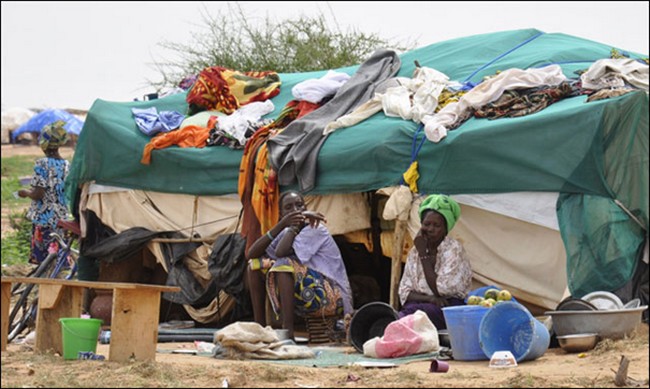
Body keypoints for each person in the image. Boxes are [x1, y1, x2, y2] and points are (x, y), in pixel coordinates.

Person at [245, 190, 353, 340]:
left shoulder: (315, 229)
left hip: (334, 296)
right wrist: (282, 225)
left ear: (306, 209)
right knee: (254, 266)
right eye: (289, 208)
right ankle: (260, 330)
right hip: (310, 293)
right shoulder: (286, 232)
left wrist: (293, 227)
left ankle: (288, 333)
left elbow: (281, 252)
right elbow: (251, 254)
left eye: (299, 205)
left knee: (283, 265)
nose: (295, 210)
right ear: (282, 214)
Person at [397, 194, 472, 330]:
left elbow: (441, 290)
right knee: (414, 313)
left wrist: (423, 255)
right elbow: (405, 292)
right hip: (421, 304)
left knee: (416, 316)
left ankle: (396, 323)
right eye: (426, 224)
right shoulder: (414, 252)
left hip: (448, 307)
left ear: (445, 229)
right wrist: (430, 299)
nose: (430, 229)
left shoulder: (453, 249)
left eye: (436, 225)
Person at [17, 120, 71, 265]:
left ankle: (44, 286)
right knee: (59, 261)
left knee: (43, 263)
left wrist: (26, 193)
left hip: (44, 220)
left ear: (43, 143)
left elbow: (38, 194)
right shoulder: (66, 165)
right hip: (61, 219)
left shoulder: (42, 164)